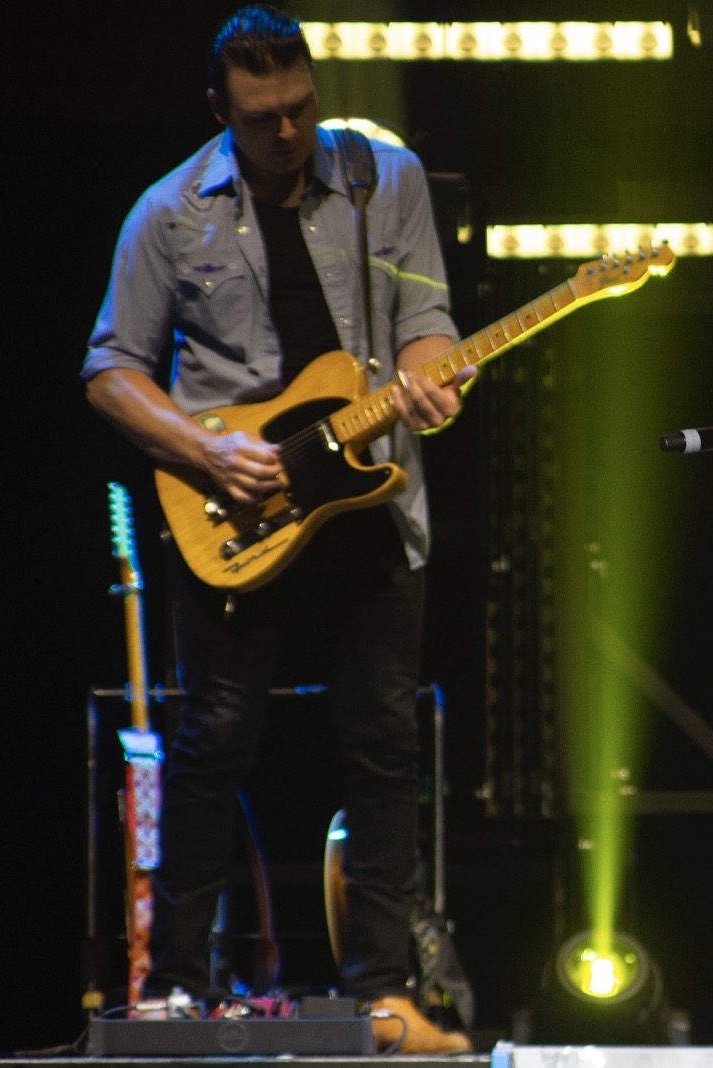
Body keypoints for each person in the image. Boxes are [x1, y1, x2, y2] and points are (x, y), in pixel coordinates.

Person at [81, 4, 474, 1054]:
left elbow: (427, 318)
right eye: (263, 118)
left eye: (301, 106)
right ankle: (173, 989)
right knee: (214, 741)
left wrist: (433, 376)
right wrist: (206, 451)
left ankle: (383, 995)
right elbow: (111, 369)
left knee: (385, 744)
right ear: (221, 111)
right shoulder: (170, 213)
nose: (289, 131)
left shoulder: (384, 178)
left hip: (368, 500)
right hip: (233, 504)